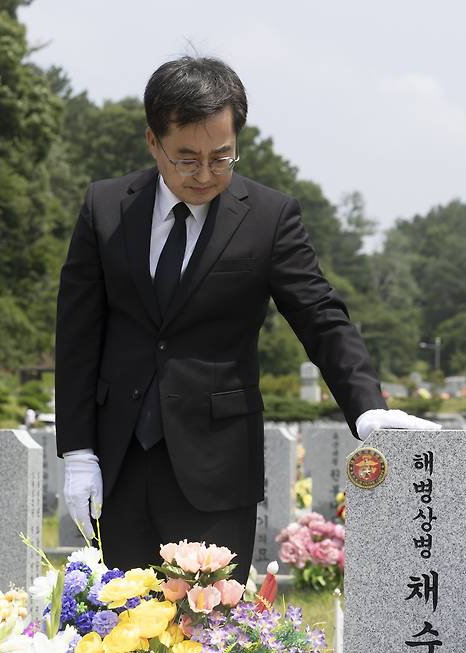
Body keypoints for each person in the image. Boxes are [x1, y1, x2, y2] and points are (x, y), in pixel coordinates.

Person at [55, 56, 439, 579]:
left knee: (211, 624)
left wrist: (366, 407)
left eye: (221, 157)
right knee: (120, 621)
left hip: (216, 465)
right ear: (153, 142)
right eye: (186, 159)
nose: (204, 175)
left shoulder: (268, 217)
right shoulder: (105, 207)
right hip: (117, 461)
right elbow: (77, 334)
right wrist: (78, 452)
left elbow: (320, 314)